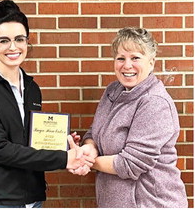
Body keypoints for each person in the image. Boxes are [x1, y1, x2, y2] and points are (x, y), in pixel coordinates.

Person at [0, 0, 94, 208]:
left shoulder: (32, 87)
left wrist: (61, 143)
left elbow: (30, 141)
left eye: (19, 39)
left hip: (33, 199)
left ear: (27, 42)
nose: (13, 47)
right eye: (4, 40)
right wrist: (63, 159)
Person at [70, 27, 188, 208]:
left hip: (149, 203)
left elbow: (130, 164)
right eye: (120, 58)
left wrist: (83, 161)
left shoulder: (154, 103)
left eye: (135, 58)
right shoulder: (113, 91)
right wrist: (89, 149)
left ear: (151, 62)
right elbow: (94, 132)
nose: (127, 65)